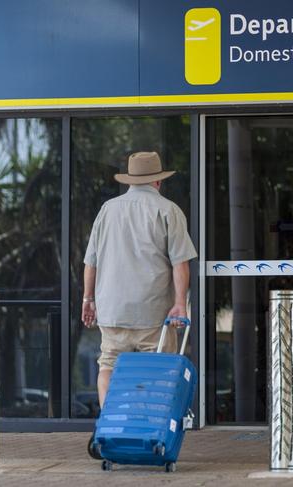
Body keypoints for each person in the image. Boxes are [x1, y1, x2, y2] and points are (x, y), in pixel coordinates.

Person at [81, 151, 197, 420]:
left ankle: (110, 424)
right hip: (153, 312)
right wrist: (180, 304)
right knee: (159, 369)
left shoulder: (107, 209)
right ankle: (148, 426)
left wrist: (88, 299)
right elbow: (181, 263)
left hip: (112, 310)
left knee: (108, 366)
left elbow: (91, 262)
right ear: (158, 181)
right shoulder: (168, 210)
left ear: (130, 180)